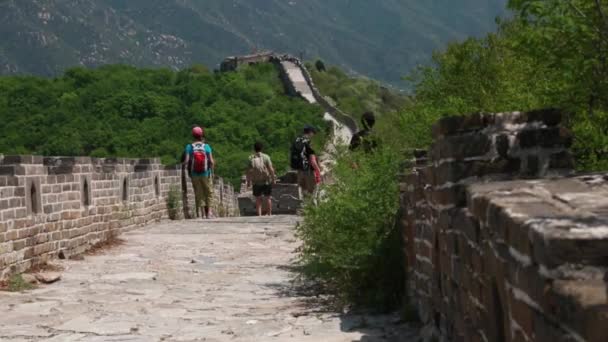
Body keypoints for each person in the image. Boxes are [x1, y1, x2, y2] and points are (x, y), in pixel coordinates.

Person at [183, 126, 215, 219]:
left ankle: (202, 213)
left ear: (193, 135)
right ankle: (209, 213)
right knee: (209, 192)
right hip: (206, 173)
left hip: (194, 174)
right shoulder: (206, 146)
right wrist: (212, 171)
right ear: (201, 135)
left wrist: (181, 165)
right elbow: (211, 161)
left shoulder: (189, 147)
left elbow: (187, 161)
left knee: (199, 193)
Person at [246, 142, 276, 216]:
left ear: (254, 149)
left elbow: (248, 172)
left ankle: (259, 215)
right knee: (268, 197)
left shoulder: (250, 158)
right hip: (266, 181)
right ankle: (269, 214)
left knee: (258, 199)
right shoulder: (266, 157)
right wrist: (273, 178)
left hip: (256, 181)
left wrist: (248, 181)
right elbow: (271, 169)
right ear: (262, 148)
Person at [291, 125, 322, 195]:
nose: (313, 135)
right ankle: (310, 205)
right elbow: (312, 160)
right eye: (313, 133)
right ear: (310, 132)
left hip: (299, 170)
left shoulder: (297, 140)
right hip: (308, 172)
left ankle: (303, 205)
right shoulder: (308, 142)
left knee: (302, 192)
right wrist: (318, 171)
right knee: (312, 192)